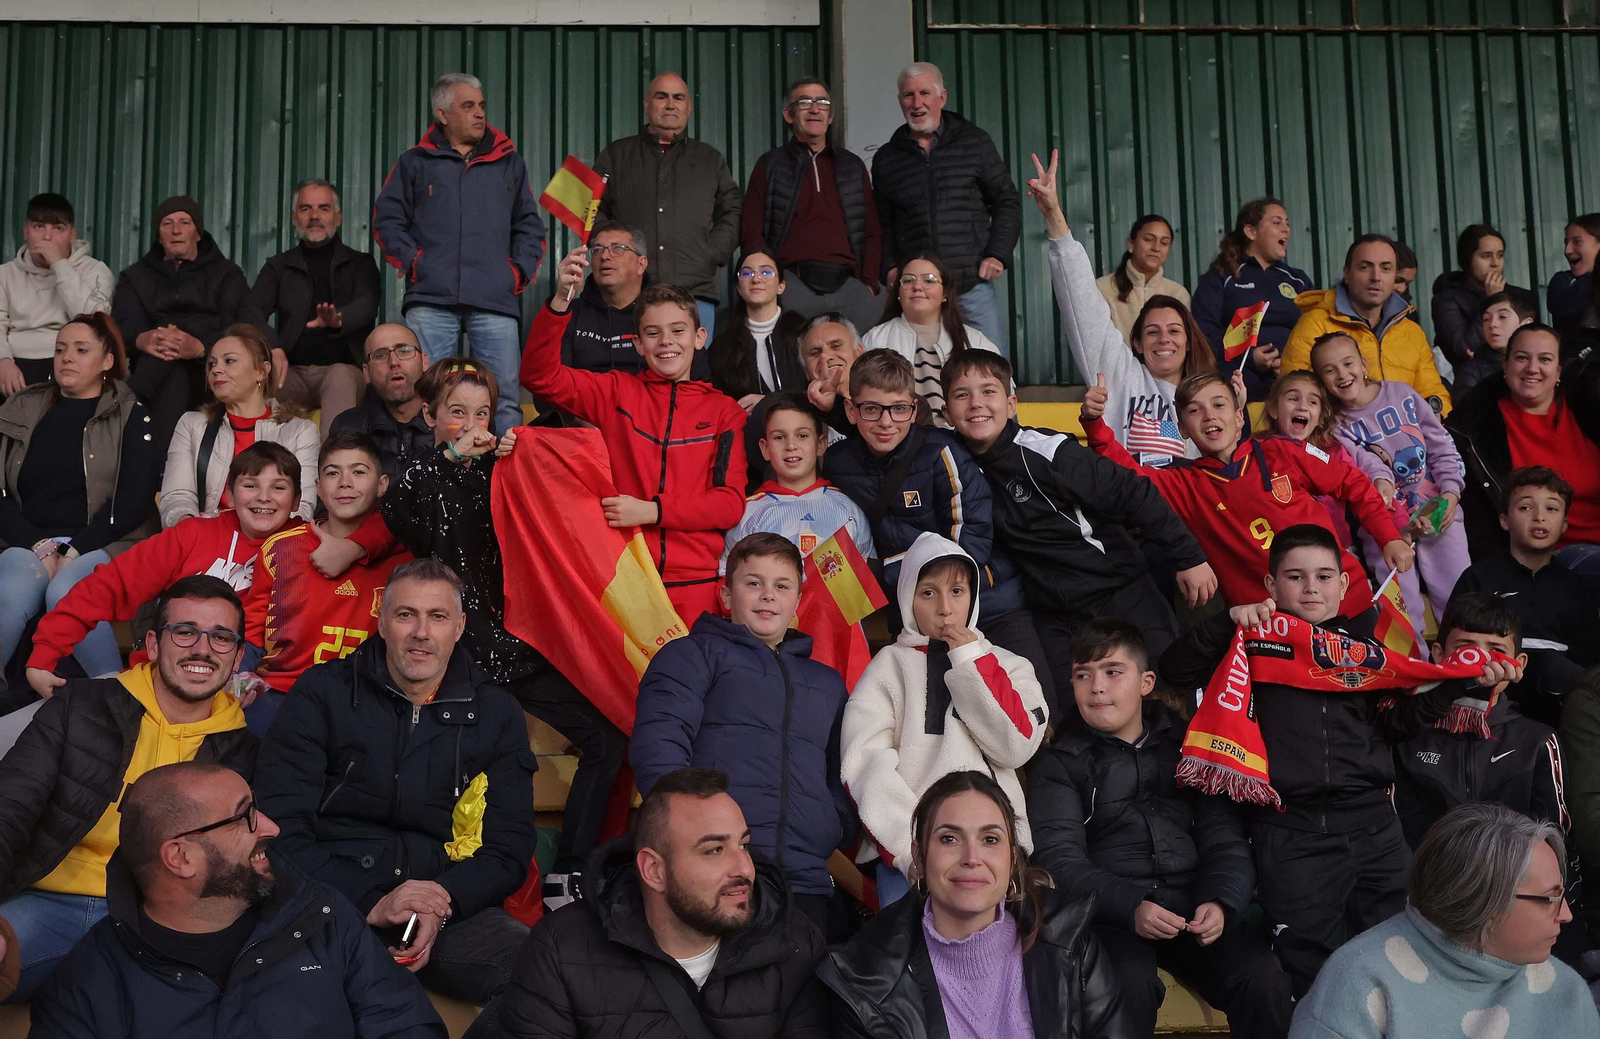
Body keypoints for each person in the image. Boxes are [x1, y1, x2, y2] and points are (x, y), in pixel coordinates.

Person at [1160, 524, 1513, 996]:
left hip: (1374, 830)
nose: (1311, 588)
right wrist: (1229, 621)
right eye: (1295, 577)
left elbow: (1398, 725)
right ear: (1270, 586)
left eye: (1325, 576)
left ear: (1344, 585)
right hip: (1291, 834)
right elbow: (1175, 668)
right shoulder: (1251, 639)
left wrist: (1458, 684)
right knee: (1312, 975)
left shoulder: (1367, 652)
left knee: (1405, 964)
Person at [336, 357, 627, 903]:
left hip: (524, 643)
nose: (471, 424)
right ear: (429, 416)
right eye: (456, 413)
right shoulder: (424, 475)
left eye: (482, 413)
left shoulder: (505, 469)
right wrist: (450, 455)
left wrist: (528, 454)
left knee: (607, 738)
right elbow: (397, 505)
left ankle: (569, 875)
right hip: (459, 656)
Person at [255, 558, 536, 1005]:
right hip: (330, 901)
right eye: (406, 615)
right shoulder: (322, 692)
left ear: (459, 627)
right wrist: (369, 901)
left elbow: (509, 848)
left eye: (438, 617)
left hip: (447, 908)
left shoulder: (497, 712)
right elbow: (278, 827)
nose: (421, 632)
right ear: (382, 621)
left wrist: (440, 902)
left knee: (544, 975)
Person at [27, 760, 446, 1038]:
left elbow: (405, 1026)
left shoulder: (322, 914)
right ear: (181, 857)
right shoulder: (86, 985)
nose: (271, 828)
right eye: (245, 816)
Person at [1028, 620, 1294, 1039]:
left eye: (1113, 672)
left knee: (1262, 976)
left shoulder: (1189, 747)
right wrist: (1131, 904)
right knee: (1125, 986)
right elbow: (1058, 859)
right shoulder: (1059, 762)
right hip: (1108, 918)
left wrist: (1222, 902)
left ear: (1146, 682)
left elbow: (1223, 839)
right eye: (1083, 675)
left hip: (1192, 908)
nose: (1096, 687)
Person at [0, 575, 256, 1003]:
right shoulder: (81, 705)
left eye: (221, 638)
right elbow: (10, 802)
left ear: (238, 656)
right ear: (154, 645)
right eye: (186, 631)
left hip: (155, 922)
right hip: (44, 899)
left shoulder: (246, 752)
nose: (202, 650)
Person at [474, 767, 828, 1039]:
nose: (744, 868)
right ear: (654, 870)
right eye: (714, 850)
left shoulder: (794, 941)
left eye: (744, 845)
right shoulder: (562, 949)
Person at [941, 350, 1213, 687]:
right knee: (1072, 716)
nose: (976, 404)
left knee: (1164, 693)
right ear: (947, 412)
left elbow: (1134, 492)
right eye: (961, 395)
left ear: (1011, 404)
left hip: (1119, 594)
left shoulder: (1047, 452)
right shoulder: (948, 463)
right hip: (1054, 616)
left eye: (988, 391)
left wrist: (1189, 557)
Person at [632, 533, 853, 931]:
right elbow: (659, 743)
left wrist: (832, 827)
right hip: (717, 871)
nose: (768, 595)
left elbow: (843, 770)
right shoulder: (693, 654)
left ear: (797, 602)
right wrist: (693, 835)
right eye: (754, 583)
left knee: (800, 988)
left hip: (806, 877)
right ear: (727, 595)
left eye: (781, 586)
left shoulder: (828, 683)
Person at [823, 349, 1056, 711]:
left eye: (898, 409)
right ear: (852, 412)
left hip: (991, 605)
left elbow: (972, 538)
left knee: (1035, 712)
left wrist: (914, 586)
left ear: (914, 410)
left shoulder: (940, 451)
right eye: (872, 409)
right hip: (912, 621)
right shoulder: (838, 463)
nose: (886, 422)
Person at [818, 770, 1128, 1039]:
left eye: (990, 840)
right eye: (949, 839)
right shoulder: (864, 976)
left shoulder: (1071, 944)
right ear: (920, 858)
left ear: (1013, 859)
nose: (971, 858)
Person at [1081, 367, 1413, 614]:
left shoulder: (1282, 451)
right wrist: (1096, 425)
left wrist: (1389, 536)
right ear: (1182, 429)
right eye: (1195, 410)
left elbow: (1352, 482)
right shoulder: (1183, 485)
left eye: (1219, 405)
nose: (1209, 415)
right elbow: (1126, 475)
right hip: (1271, 630)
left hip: (1345, 603)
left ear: (1240, 417)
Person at [522, 267, 748, 624]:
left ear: (699, 336)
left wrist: (652, 511)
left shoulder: (725, 411)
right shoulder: (616, 391)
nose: (666, 342)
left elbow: (729, 504)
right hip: (623, 581)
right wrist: (561, 302)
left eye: (678, 330)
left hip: (696, 585)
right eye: (652, 333)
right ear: (638, 344)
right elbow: (540, 377)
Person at [841, 532, 1048, 907]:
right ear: (907, 599)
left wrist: (969, 659)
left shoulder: (1012, 665)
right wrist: (911, 849)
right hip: (911, 859)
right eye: (928, 593)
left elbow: (1015, 746)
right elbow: (863, 765)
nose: (945, 609)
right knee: (911, 961)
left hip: (992, 853)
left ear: (973, 597)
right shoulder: (886, 667)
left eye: (957, 591)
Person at [1288, 803, 1599, 1039]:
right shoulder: (1358, 985)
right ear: (1484, 901)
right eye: (1549, 898)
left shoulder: (1564, 990)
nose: (1566, 914)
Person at [26, 443, 303, 698]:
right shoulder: (192, 535)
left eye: (278, 488)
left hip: (257, 694)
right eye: (251, 485)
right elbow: (110, 585)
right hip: (159, 685)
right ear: (229, 494)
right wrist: (45, 653)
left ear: (297, 500)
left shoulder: (308, 548)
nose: (264, 497)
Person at [372, 72, 547, 435]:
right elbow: (386, 221)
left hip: (494, 299)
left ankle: (503, 483)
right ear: (443, 114)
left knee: (504, 399)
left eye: (481, 106)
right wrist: (417, 264)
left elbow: (530, 227)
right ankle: (430, 479)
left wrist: (515, 274)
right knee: (428, 396)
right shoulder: (414, 162)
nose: (479, 113)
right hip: (431, 298)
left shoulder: (509, 162)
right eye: (468, 106)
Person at [0, 312, 160, 678]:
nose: (66, 357)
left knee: (68, 594)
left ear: (107, 362)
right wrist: (39, 545)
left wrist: (74, 550)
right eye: (60, 349)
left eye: (80, 349)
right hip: (29, 543)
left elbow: (135, 500)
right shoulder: (21, 409)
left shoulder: (131, 415)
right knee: (11, 590)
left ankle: (112, 694)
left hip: (105, 543)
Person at [1030, 149, 1212, 466]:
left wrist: (1234, 408)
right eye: (1152, 332)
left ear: (1188, 339)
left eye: (1174, 330)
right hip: (1127, 503)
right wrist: (1053, 216)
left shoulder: (1207, 394)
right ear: (1137, 342)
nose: (1165, 339)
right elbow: (1082, 302)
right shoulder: (1120, 374)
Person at [239, 431, 410, 729]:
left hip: (365, 701)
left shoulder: (404, 561)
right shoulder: (280, 548)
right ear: (318, 487)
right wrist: (241, 677)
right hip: (282, 694)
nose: (345, 482)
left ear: (382, 485)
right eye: (333, 473)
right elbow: (253, 633)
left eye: (359, 471)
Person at [1313, 331, 1470, 635]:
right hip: (1384, 526)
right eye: (1329, 370)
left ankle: (1467, 662)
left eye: (1348, 363)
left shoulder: (1403, 395)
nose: (1342, 374)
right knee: (1399, 604)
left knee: (1457, 594)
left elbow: (1442, 447)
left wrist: (1451, 494)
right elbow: (1361, 471)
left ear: (1363, 363)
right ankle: (1413, 672)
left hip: (1438, 510)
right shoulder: (1335, 427)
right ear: (1321, 381)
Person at [1392, 595, 1568, 853]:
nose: (1482, 662)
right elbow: (1401, 832)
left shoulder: (1538, 741)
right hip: (1432, 882)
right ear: (1439, 654)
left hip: (1515, 883)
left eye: (1496, 651)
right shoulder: (1408, 733)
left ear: (1518, 665)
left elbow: (1553, 836)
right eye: (1466, 649)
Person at [872, 62, 1021, 354]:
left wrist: (997, 253)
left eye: (925, 93)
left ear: (942, 97)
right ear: (899, 101)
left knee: (991, 369)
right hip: (917, 291)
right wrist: (889, 266)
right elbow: (883, 222)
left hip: (970, 286)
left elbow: (1007, 201)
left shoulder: (974, 143)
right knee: (909, 374)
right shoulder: (888, 158)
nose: (917, 103)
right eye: (908, 95)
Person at [594, 71, 741, 336]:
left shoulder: (710, 159)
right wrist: (615, 251)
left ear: (689, 107)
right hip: (628, 294)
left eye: (678, 98)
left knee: (690, 375)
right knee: (628, 376)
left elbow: (732, 211)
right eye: (662, 97)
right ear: (647, 105)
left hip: (694, 293)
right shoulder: (616, 155)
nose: (671, 104)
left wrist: (711, 253)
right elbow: (590, 210)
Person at [1455, 467, 1600, 726]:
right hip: (1492, 688)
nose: (1539, 518)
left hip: (1559, 704)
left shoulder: (1577, 588)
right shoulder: (1478, 576)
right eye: (1525, 508)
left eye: (1552, 509)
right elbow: (1456, 646)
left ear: (1565, 524)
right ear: (1504, 520)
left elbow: (1588, 660)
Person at [1448, 324, 1600, 564]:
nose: (1532, 368)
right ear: (1505, 366)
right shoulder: (1476, 427)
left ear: (1559, 371)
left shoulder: (1590, 407)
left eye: (1545, 359)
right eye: (1521, 358)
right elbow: (1478, 523)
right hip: (1536, 563)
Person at [740, 77, 882, 332]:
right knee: (793, 364)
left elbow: (871, 229)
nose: (815, 109)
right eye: (805, 102)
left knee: (853, 364)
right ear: (788, 114)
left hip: (849, 284)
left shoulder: (852, 166)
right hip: (791, 285)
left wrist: (869, 283)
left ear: (830, 116)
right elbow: (751, 230)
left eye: (823, 103)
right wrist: (770, 283)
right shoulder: (770, 165)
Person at [113, 195, 252, 450]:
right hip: (160, 371)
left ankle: (125, 405)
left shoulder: (226, 274)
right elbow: (119, 327)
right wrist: (143, 340)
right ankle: (167, 467)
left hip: (209, 372)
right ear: (158, 234)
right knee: (172, 369)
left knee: (171, 365)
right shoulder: (135, 277)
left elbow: (239, 327)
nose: (176, 230)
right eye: (167, 223)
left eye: (184, 222)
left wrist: (200, 347)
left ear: (198, 233)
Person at [247, 178, 379, 437]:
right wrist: (273, 347)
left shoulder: (360, 264)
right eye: (306, 209)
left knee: (339, 378)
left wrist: (338, 320)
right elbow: (251, 310)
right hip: (291, 371)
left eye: (324, 208)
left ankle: (333, 465)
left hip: (343, 369)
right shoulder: (279, 266)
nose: (315, 216)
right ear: (294, 217)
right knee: (257, 382)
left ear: (338, 217)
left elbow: (367, 305)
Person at [159, 322, 319, 528]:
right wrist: (193, 533)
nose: (217, 370)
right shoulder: (191, 424)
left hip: (270, 547)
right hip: (206, 541)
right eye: (212, 364)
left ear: (262, 371)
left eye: (229, 361)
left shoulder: (300, 431)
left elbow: (302, 508)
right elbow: (177, 498)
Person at [1280, 234, 1452, 416]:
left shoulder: (1412, 332)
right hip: (1340, 437)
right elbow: (1294, 395)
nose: (1376, 277)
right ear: (1346, 273)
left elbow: (1432, 392)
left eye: (1386, 269)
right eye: (1365, 267)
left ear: (1394, 277)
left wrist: (1436, 416)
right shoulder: (1315, 323)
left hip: (1408, 437)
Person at [1257, 368, 1407, 555]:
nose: (1302, 406)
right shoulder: (1257, 453)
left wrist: (1397, 531)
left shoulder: (1333, 451)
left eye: (1313, 402)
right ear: (1272, 409)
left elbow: (1365, 490)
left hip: (1339, 550)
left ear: (1321, 417)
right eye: (1293, 399)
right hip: (1284, 555)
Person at [720, 393, 874, 569]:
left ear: (820, 445)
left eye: (802, 435)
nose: (791, 445)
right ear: (765, 448)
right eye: (779, 437)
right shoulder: (747, 514)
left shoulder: (849, 512)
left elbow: (867, 583)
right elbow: (729, 580)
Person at [1191, 197, 1312, 400]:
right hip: (1238, 374)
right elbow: (1203, 333)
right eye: (1277, 222)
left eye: (1287, 223)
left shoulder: (1297, 279)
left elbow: (1314, 328)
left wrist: (1292, 361)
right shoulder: (1222, 275)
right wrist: (1249, 357)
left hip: (1293, 374)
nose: (1287, 229)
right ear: (1251, 231)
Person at [862, 253, 1000, 429]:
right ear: (898, 292)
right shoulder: (875, 339)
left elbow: (1002, 394)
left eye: (929, 280)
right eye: (908, 280)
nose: (917, 286)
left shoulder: (975, 340)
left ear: (945, 294)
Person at [0, 192, 113, 395]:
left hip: (70, 363)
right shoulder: (5, 273)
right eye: (38, 227)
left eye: (58, 228)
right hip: (15, 362)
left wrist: (59, 265)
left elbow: (96, 321)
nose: (47, 237)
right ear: (26, 231)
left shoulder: (95, 270)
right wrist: (3, 361)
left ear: (72, 235)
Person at [327, 322, 433, 484]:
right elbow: (330, 501)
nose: (394, 362)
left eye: (404, 351)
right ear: (366, 372)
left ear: (425, 361)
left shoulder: (448, 422)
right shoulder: (347, 426)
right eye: (380, 355)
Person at [1431, 223, 1529, 376]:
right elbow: (1464, 347)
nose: (1495, 263)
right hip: (1466, 379)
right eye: (1486, 256)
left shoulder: (1519, 297)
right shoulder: (1447, 297)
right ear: (1468, 259)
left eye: (1500, 255)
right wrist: (1491, 300)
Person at [555, 224, 652, 377]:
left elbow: (692, 380)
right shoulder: (570, 313)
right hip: (585, 399)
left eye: (617, 248)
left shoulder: (664, 312)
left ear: (641, 264)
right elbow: (548, 381)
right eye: (598, 250)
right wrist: (561, 299)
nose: (605, 256)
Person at [1096, 214, 1191, 346]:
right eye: (1148, 239)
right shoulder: (1103, 288)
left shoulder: (1178, 293)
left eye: (1164, 243)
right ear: (1131, 244)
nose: (1156, 248)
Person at [1453, 287, 1537, 397]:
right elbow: (1464, 411)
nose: (1492, 324)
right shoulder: (1473, 370)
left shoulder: (1545, 363)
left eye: (1502, 317)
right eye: (1486, 319)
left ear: (1526, 324)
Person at [799, 313, 865, 437]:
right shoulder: (796, 416)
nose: (825, 356)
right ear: (806, 370)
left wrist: (833, 406)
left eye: (836, 346)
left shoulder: (887, 398)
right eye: (815, 352)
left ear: (859, 353)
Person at [1549, 213, 1599, 334]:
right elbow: (1564, 307)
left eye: (1577, 242)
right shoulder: (1563, 281)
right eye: (1566, 243)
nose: (1567, 251)